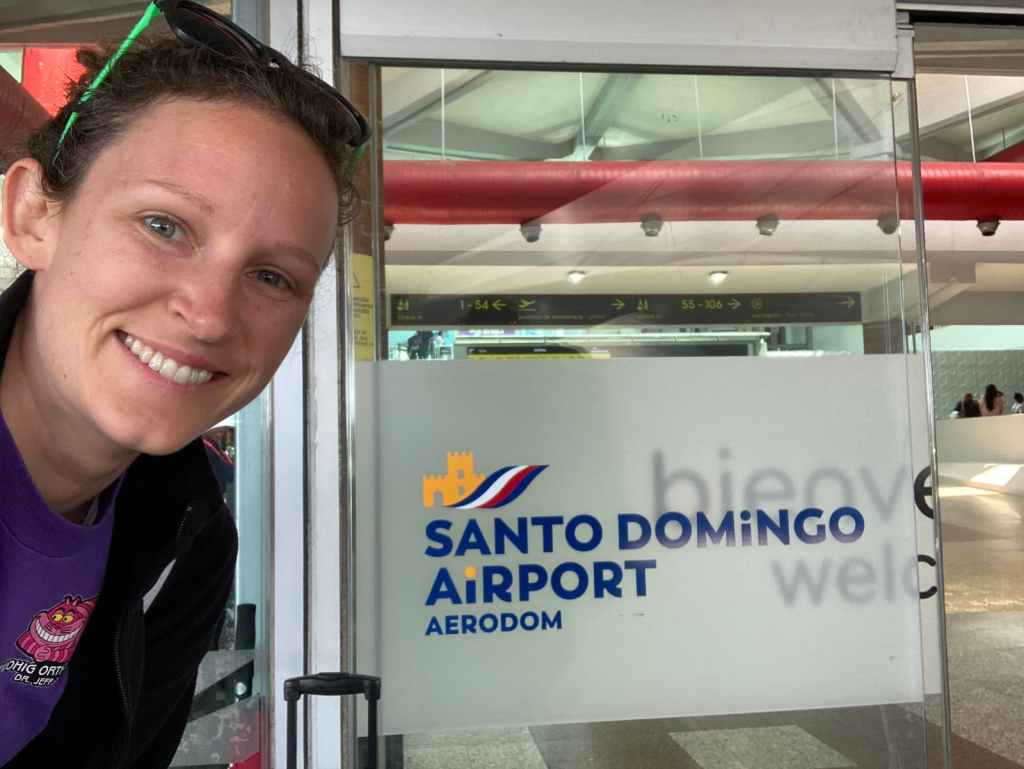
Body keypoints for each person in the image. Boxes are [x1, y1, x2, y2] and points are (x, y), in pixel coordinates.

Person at [0, 3, 369, 766]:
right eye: (164, 225)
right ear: (34, 214)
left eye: (272, 275)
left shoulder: (192, 539)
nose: (207, 316)